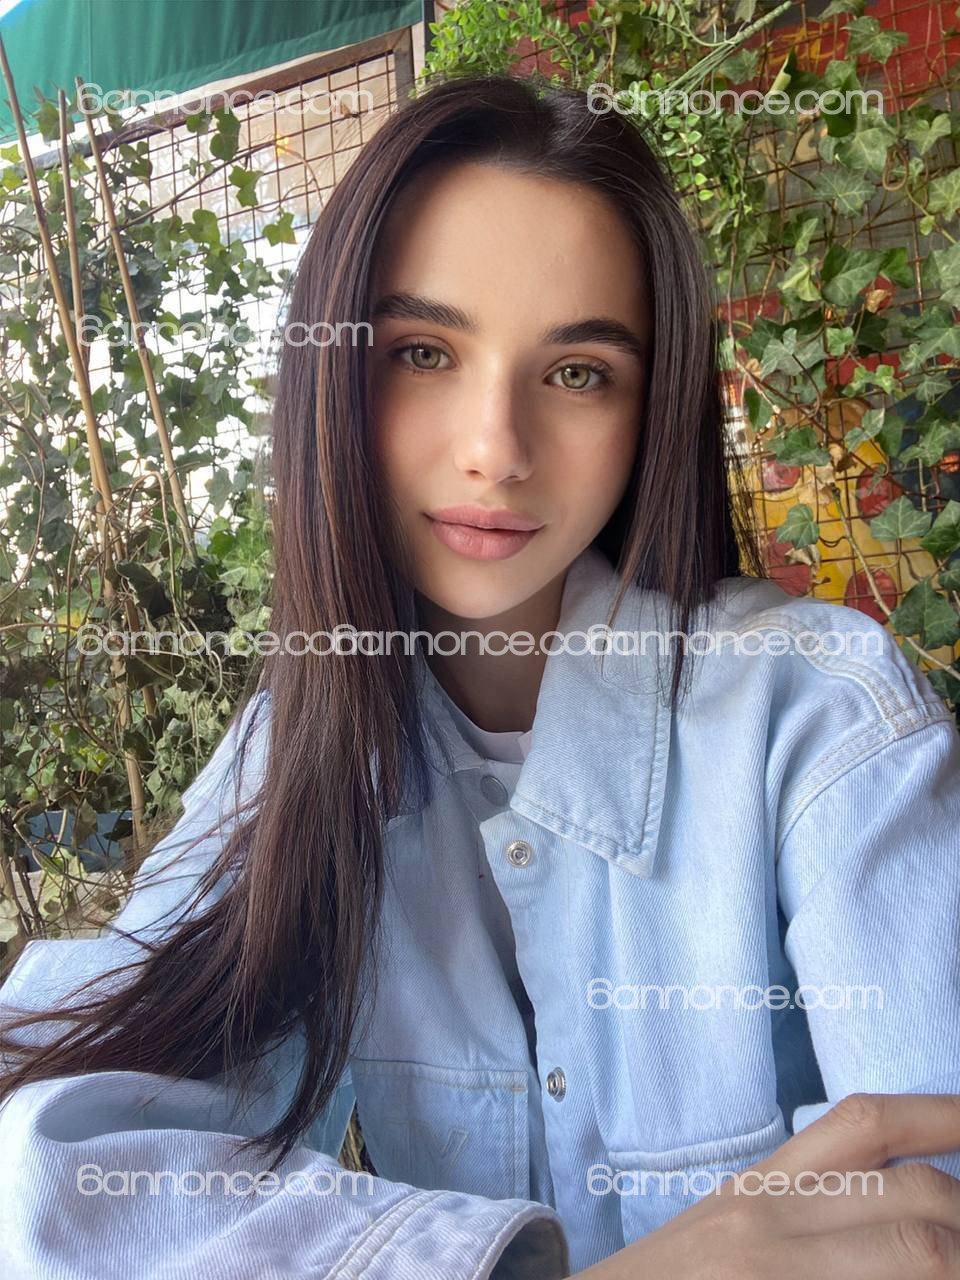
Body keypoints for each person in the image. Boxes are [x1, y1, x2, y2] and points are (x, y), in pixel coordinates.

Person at [2, 72, 960, 1280]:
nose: (495, 449)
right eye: (423, 352)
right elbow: (47, 1161)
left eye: (578, 371)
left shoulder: (820, 718)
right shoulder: (294, 752)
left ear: (651, 409)